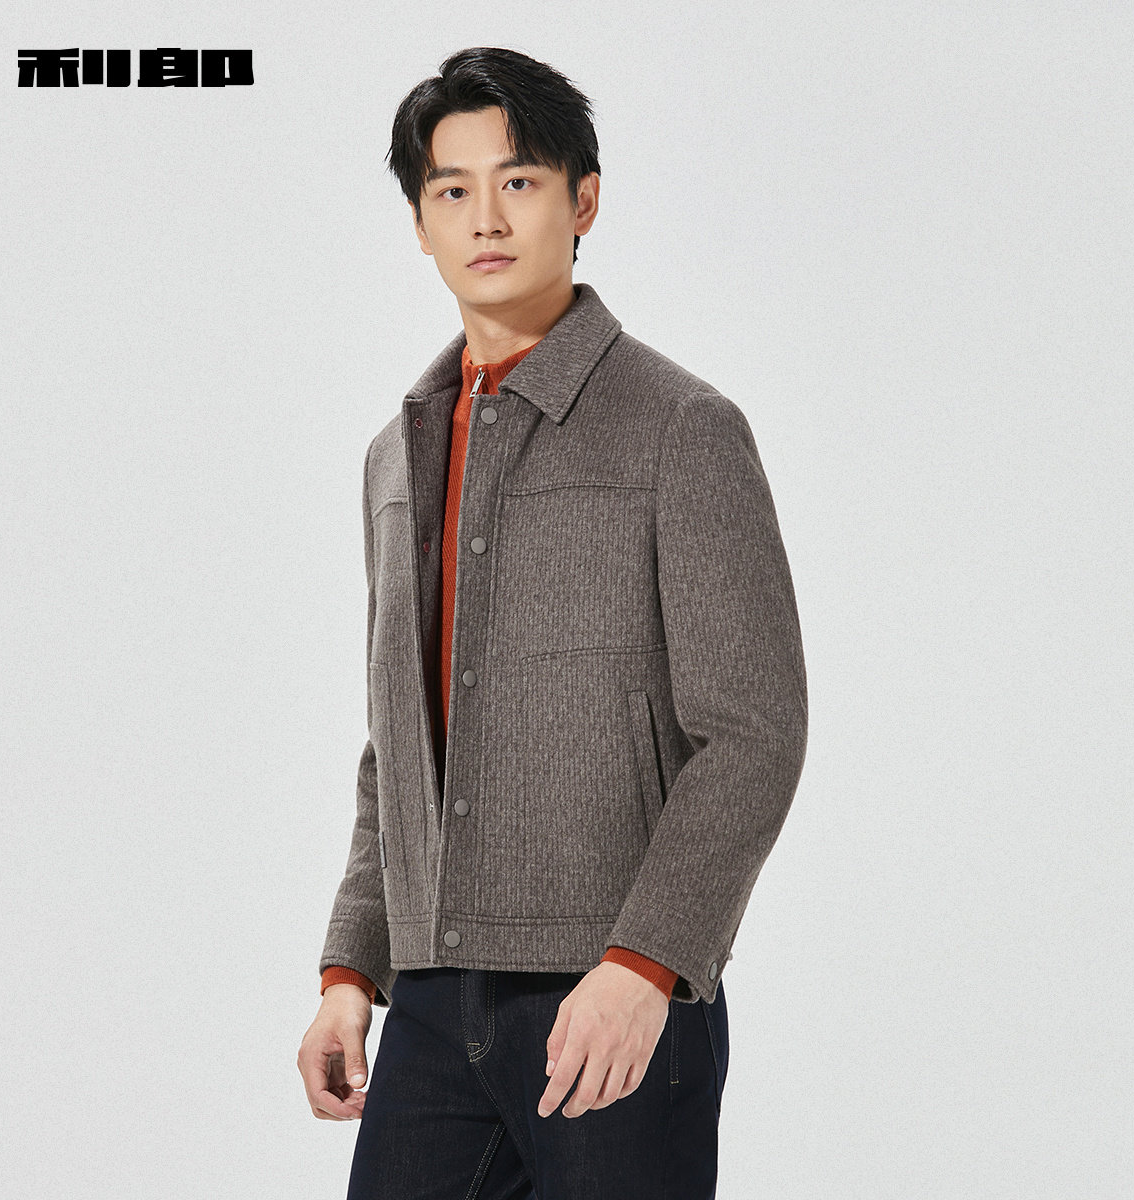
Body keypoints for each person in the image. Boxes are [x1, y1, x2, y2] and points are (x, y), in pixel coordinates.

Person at [297, 46, 808, 1200]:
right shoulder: (394, 459)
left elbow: (753, 731)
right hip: (430, 1005)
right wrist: (351, 969)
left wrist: (648, 961)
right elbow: (397, 744)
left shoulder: (682, 428)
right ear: (420, 224)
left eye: (519, 181)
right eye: (452, 189)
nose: (486, 218)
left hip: (609, 994)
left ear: (583, 201)